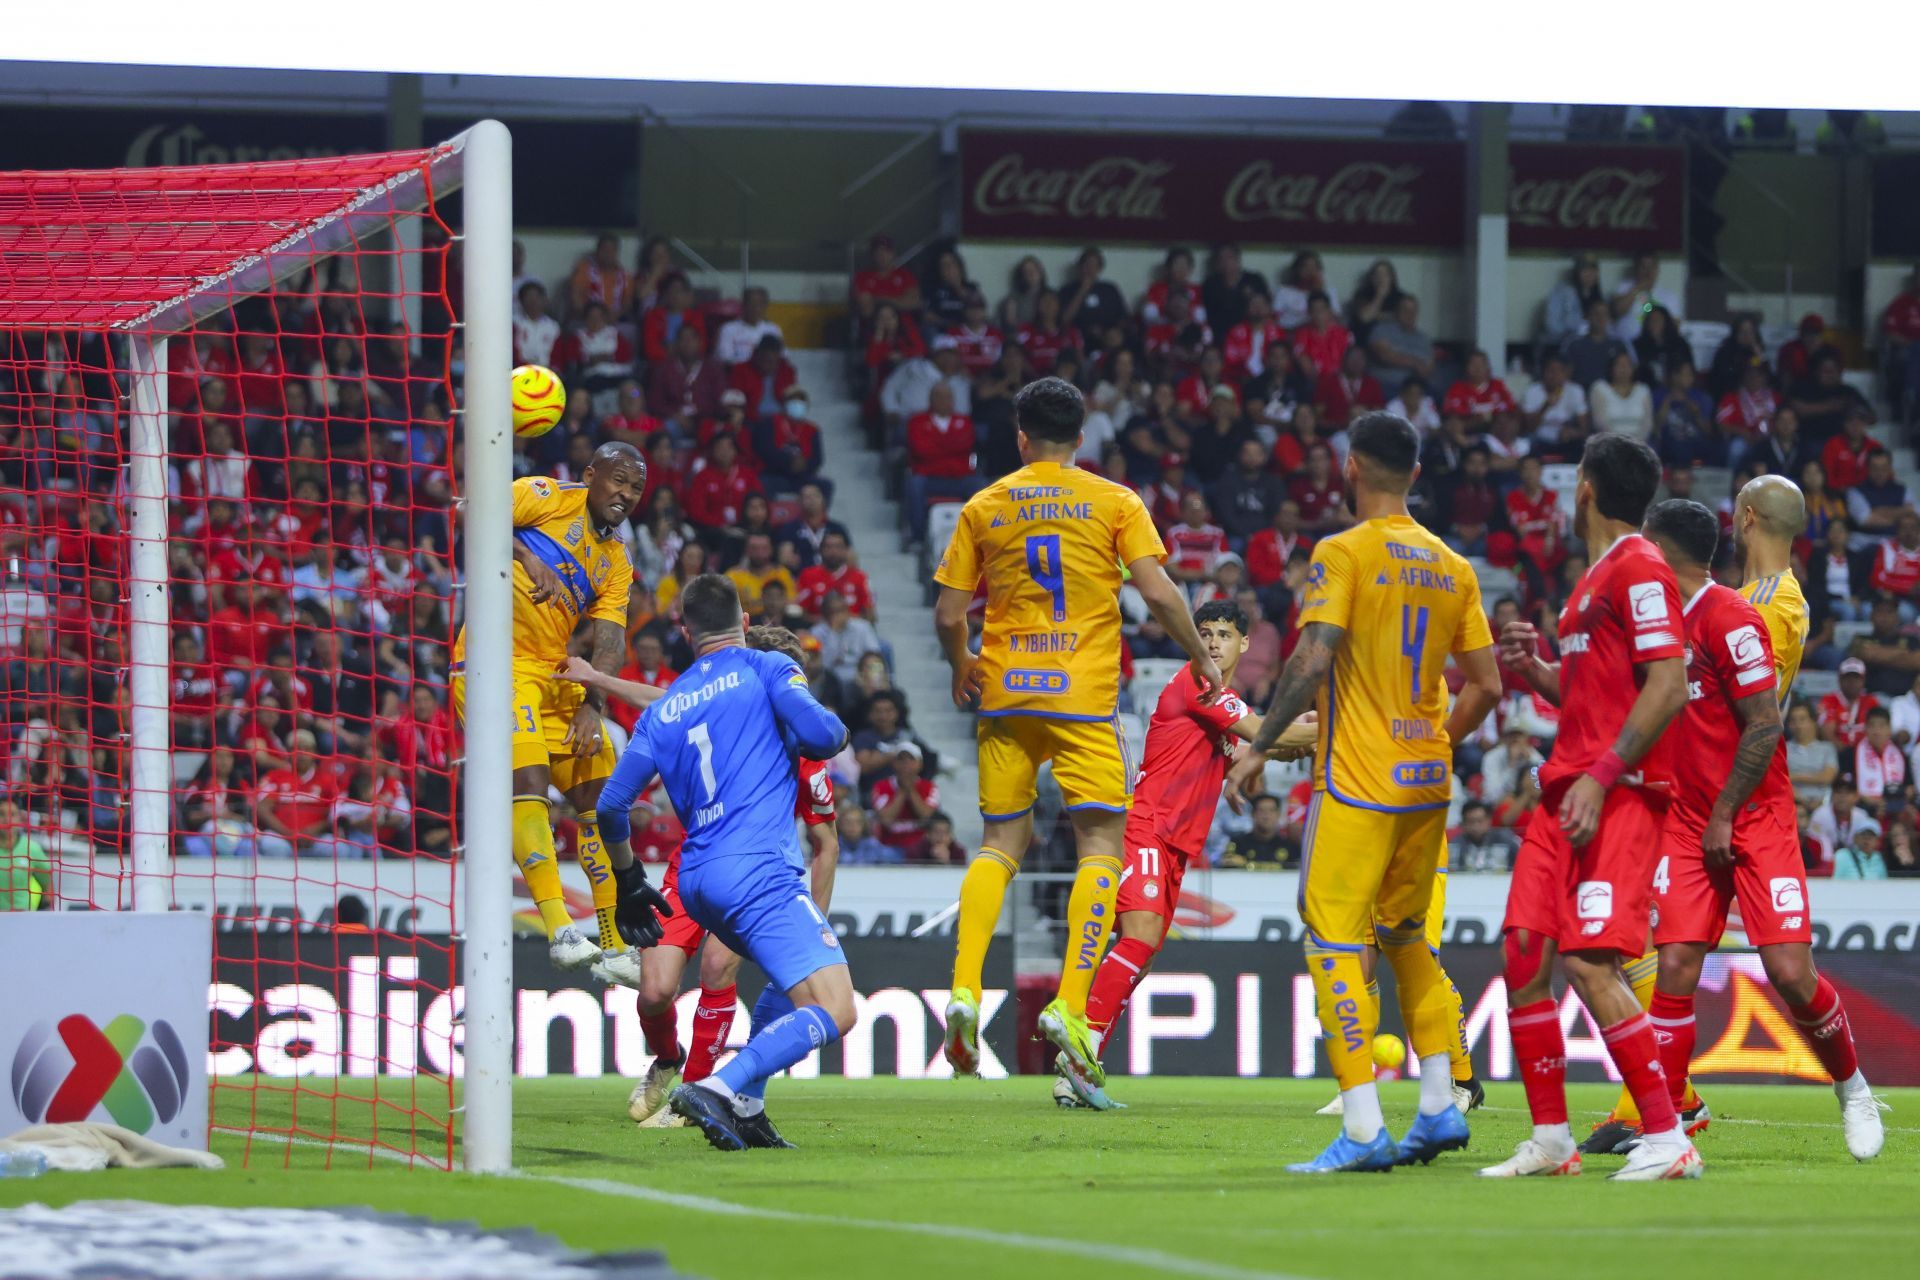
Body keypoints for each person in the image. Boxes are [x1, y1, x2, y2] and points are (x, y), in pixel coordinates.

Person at [1223, 411, 1503, 1173]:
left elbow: (1313, 658)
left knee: (1333, 940)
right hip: (1428, 783)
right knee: (1408, 938)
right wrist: (1438, 740)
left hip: (1357, 782)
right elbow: (1487, 683)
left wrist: (1256, 746)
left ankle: (1362, 1125)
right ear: (1414, 474)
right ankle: (1442, 1107)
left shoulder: (1342, 552)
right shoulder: (1454, 564)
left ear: (1350, 468)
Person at [932, 376, 1224, 1092]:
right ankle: (1069, 1003)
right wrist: (1199, 655)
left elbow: (948, 614)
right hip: (1083, 699)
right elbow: (1157, 591)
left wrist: (961, 662)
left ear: (1021, 436)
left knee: (1001, 844)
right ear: (1082, 438)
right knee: (1099, 843)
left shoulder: (984, 504)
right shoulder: (1115, 501)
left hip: (1005, 695)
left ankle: (966, 989)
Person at [1630, 498, 1883, 1160]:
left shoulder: (1752, 611)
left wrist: (1722, 810)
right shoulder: (1688, 615)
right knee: (1677, 960)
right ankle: (1667, 1125)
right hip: (1689, 811)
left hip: (1755, 811)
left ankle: (1852, 1088)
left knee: (1788, 969)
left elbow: (1763, 720)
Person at [1485, 433, 1700, 1180]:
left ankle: (1670, 1138)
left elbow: (1667, 686)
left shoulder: (1642, 567)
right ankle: (1550, 1137)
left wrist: (1603, 775)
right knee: (1522, 953)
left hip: (1617, 796)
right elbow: (1589, 701)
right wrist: (1538, 670)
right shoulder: (1589, 583)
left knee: (1588, 961)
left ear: (1584, 488)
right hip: (1569, 789)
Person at [596, 579, 852, 1151]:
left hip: (694, 877)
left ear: (684, 631)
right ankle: (714, 1087)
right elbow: (824, 734)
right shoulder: (767, 669)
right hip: (759, 871)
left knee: (785, 994)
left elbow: (612, 804)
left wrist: (628, 879)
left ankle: (750, 1107)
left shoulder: (667, 705)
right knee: (838, 1009)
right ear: (742, 616)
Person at [1067, 601, 1315, 1107]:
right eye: (1205, 633)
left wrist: (1301, 732)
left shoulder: (1224, 701)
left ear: (1245, 644)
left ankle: (1076, 1072)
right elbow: (1263, 735)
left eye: (1224, 633)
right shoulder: (1199, 683)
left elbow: (1263, 748)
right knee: (1139, 938)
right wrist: (1336, 728)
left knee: (1141, 952)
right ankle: (1080, 1044)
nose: (1214, 642)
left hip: (1177, 843)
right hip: (1148, 827)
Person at [449, 444, 648, 984]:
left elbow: (609, 639)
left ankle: (612, 945)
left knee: (602, 800)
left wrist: (592, 702)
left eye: (635, 488)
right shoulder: (545, 497)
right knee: (529, 781)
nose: (626, 495)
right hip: (494, 662)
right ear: (590, 477)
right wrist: (525, 554)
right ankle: (561, 928)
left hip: (555, 674)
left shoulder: (616, 561)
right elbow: (469, 509)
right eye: (619, 481)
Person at [0, 795, 51, 911]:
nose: (7, 820)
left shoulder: (31, 849)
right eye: (1, 814)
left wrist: (43, 910)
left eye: (12, 815)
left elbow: (48, 882)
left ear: (19, 818)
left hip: (22, 919)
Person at [1787, 701, 1840, 806]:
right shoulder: (1783, 749)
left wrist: (1794, 777)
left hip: (1824, 803)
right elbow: (1781, 781)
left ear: (1813, 721)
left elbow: (1827, 778)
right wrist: (1802, 801)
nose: (1797, 725)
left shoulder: (1827, 748)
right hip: (1794, 803)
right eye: (1793, 720)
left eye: (1802, 719)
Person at [1590, 351, 1653, 439]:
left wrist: (1636, 443)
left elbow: (1647, 423)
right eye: (1619, 364)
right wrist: (1619, 444)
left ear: (1634, 368)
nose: (1623, 368)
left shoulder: (1643, 390)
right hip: (1609, 444)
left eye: (1627, 364)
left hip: (1638, 444)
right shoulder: (1600, 388)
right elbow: (1600, 423)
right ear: (1612, 367)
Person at [714, 287, 783, 366]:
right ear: (743, 305)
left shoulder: (773, 329)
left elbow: (782, 357)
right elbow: (725, 359)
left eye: (760, 304)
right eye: (751, 303)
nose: (755, 308)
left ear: (765, 306)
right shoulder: (728, 329)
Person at [1452, 800, 1521, 872]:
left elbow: (1521, 859)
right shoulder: (1457, 844)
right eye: (1471, 821)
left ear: (1489, 820)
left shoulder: (1504, 839)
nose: (1476, 826)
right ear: (1463, 824)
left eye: (1480, 821)